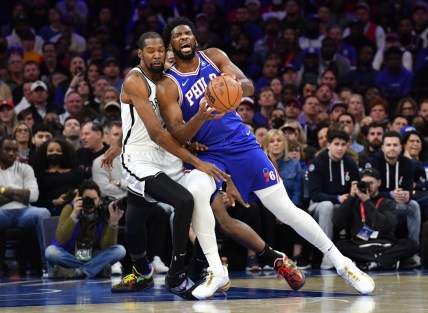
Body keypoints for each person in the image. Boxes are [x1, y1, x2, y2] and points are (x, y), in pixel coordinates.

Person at [157, 17, 375, 295]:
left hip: (241, 145)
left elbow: (248, 85)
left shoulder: (213, 57)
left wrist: (230, 87)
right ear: (171, 46)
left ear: (195, 39)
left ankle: (344, 264)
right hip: (208, 152)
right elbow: (178, 135)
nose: (184, 37)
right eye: (178, 35)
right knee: (197, 191)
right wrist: (200, 115)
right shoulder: (168, 84)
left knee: (285, 210)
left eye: (188, 33)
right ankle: (216, 271)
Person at [106, 31, 231, 300]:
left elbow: (168, 124)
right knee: (183, 202)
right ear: (140, 54)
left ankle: (195, 268)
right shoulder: (134, 80)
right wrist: (195, 160)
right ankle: (174, 274)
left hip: (170, 152)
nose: (157, 55)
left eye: (161, 50)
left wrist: (189, 144)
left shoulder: (169, 76)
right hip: (142, 157)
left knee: (189, 204)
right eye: (150, 51)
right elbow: (156, 133)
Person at [333, 168, 419, 270]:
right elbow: (337, 223)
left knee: (412, 244)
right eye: (364, 183)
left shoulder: (388, 203)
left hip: (385, 245)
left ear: (379, 183)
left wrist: (367, 202)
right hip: (361, 246)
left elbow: (384, 226)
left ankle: (365, 262)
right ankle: (382, 261)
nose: (368, 186)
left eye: (371, 183)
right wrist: (351, 196)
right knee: (338, 246)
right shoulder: (354, 202)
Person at [45, 180, 126, 278]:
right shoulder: (69, 209)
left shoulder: (103, 213)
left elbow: (107, 247)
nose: (91, 202)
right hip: (70, 254)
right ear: (80, 198)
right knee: (50, 252)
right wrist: (74, 215)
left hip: (93, 255)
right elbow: (60, 240)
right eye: (87, 199)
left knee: (120, 250)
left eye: (94, 199)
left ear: (99, 199)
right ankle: (97, 269)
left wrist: (113, 223)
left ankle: (77, 272)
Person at [0, 136, 51, 273]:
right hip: (1, 213)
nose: (11, 153)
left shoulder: (25, 168)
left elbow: (33, 196)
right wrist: (21, 195)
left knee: (43, 213)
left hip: (25, 213)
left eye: (14, 150)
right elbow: (27, 195)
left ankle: (48, 266)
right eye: (7, 149)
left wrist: (5, 190)